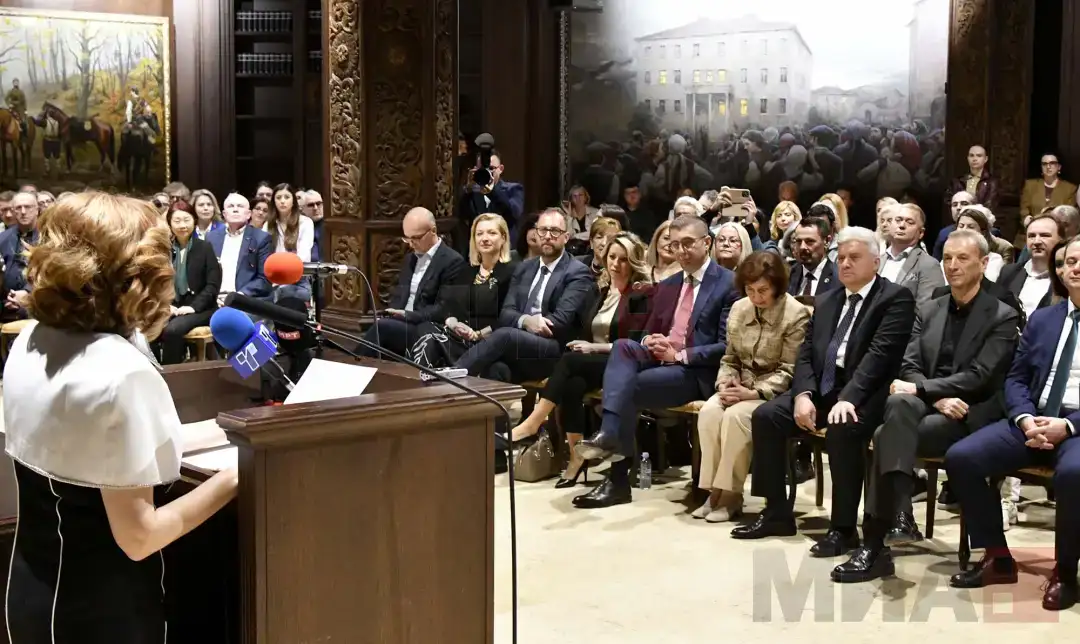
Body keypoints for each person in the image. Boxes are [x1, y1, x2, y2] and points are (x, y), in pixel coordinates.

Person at [3, 192, 238, 642]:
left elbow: (97, 444)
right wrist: (242, 474)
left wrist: (235, 430)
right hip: (100, 611)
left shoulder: (31, 340)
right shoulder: (121, 372)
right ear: (134, 275)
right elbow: (140, 537)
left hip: (33, 589)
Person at [831, 230, 1019, 583]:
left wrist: (923, 389)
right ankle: (897, 513)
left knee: (886, 434)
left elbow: (979, 377)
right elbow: (909, 363)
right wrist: (932, 395)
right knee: (898, 404)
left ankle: (877, 542)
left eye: (962, 258)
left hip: (969, 410)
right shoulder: (930, 306)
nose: (952, 265)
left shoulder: (1002, 315)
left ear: (983, 263)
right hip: (930, 404)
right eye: (947, 258)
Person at [731, 227, 916, 557]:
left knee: (843, 429)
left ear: (876, 262)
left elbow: (879, 357)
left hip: (866, 392)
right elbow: (805, 353)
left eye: (854, 257)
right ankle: (776, 513)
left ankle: (843, 529)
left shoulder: (894, 298)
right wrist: (803, 394)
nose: (845, 263)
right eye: (841, 257)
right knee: (767, 415)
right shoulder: (829, 299)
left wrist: (848, 399)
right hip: (823, 387)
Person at [943, 234, 1080, 610]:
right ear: (1060, 271)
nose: (1076, 268)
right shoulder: (1045, 318)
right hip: (1033, 418)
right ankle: (998, 557)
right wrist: (1024, 418)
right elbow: (1016, 377)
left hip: (1076, 427)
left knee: (1073, 474)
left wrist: (1068, 426)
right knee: (962, 457)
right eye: (1069, 262)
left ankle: (1066, 573)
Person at [576, 215, 739, 508]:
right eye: (675, 245)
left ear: (707, 243)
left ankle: (616, 477)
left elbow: (727, 346)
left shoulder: (729, 283)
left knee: (628, 387)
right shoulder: (669, 284)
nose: (680, 251)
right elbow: (649, 331)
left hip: (696, 370)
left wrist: (678, 355)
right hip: (661, 360)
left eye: (687, 243)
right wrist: (650, 341)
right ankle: (610, 436)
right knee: (624, 347)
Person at [508, 232, 653, 486]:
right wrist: (583, 346)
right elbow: (584, 329)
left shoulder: (641, 295)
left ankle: (533, 421)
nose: (616, 264)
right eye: (612, 257)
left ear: (634, 262)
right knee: (572, 385)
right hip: (592, 362)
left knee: (569, 361)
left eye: (623, 259)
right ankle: (576, 457)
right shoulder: (601, 290)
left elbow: (634, 343)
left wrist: (593, 348)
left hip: (622, 362)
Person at [694, 252, 811, 522]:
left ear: (777, 286)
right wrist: (726, 381)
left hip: (774, 391)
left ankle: (731, 495)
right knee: (709, 412)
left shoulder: (796, 314)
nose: (756, 297)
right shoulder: (739, 308)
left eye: (763, 290)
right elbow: (729, 358)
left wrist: (755, 393)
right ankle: (714, 491)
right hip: (740, 385)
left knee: (736, 418)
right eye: (750, 290)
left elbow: (790, 369)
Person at [453, 209, 594, 382]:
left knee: (505, 335)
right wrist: (526, 321)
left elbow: (561, 320)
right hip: (519, 346)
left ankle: (452, 376)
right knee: (497, 369)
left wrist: (530, 325)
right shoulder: (524, 268)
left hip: (553, 349)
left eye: (554, 231)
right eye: (542, 230)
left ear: (566, 237)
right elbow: (506, 313)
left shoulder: (577, 272)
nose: (547, 236)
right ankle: (460, 396)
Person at [408, 213, 517, 368]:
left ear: (503, 238)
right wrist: (454, 324)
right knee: (425, 329)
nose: (485, 238)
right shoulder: (465, 271)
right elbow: (448, 309)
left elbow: (508, 318)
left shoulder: (513, 272)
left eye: (492, 233)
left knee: (432, 340)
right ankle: (419, 379)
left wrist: (477, 334)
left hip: (489, 342)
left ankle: (424, 378)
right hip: (460, 337)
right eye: (479, 234)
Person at [361, 207, 466, 357]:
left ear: (433, 231)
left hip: (425, 326)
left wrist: (408, 315)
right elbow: (400, 295)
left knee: (381, 329)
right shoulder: (410, 259)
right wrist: (392, 313)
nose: (411, 244)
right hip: (402, 322)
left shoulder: (452, 261)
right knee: (377, 327)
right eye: (407, 238)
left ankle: (350, 363)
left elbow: (443, 309)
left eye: (416, 238)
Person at [156, 201, 222, 364]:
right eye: (177, 221)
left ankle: (172, 373)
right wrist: (166, 305)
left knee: (173, 330)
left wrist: (193, 307)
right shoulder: (164, 250)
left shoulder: (204, 247)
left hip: (202, 308)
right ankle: (154, 370)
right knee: (148, 328)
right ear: (169, 223)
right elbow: (158, 283)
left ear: (194, 221)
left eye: (186, 220)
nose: (182, 225)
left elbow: (212, 285)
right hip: (173, 306)